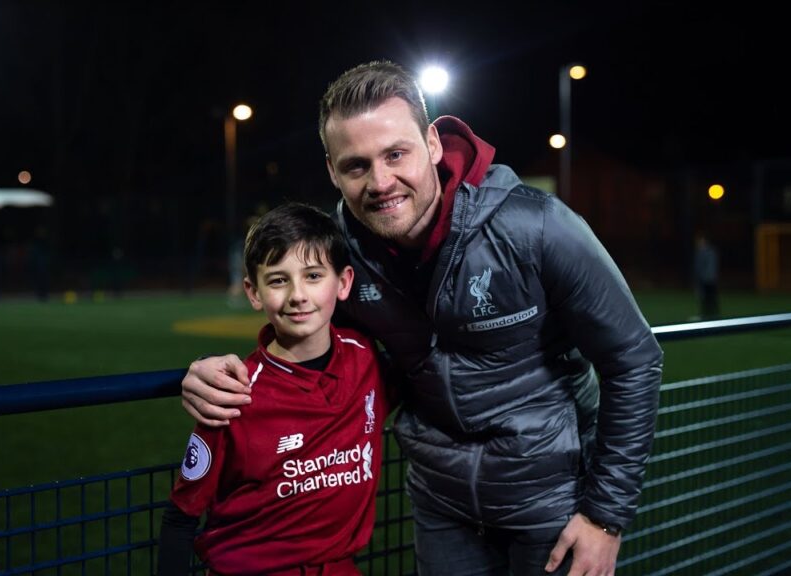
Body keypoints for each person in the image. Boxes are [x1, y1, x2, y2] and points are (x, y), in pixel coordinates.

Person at [180, 61, 664, 576]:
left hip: (552, 500)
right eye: (357, 165)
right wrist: (214, 373)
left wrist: (605, 517)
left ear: (432, 143)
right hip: (440, 507)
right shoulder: (344, 252)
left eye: (396, 154)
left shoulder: (538, 226)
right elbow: (322, 351)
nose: (381, 181)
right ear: (332, 171)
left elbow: (634, 359)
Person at [157, 202, 390, 576]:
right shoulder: (233, 393)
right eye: (279, 280)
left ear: (343, 282)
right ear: (253, 292)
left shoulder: (367, 360)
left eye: (313, 276)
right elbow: (181, 517)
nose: (298, 295)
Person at [694, 233, 720, 319]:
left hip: (708, 279)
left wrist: (708, 276)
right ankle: (707, 315)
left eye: (701, 241)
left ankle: (713, 315)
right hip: (706, 278)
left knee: (710, 298)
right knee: (705, 299)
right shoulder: (702, 251)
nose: (699, 243)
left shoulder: (709, 252)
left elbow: (709, 266)